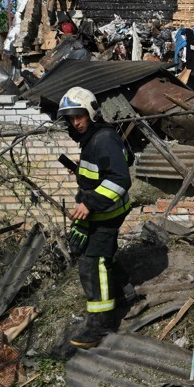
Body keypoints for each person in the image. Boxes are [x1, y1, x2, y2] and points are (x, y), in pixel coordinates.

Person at [57, 86, 133, 348]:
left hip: (107, 212)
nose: (75, 123)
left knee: (93, 262)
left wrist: (88, 203)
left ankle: (99, 326)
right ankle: (125, 290)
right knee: (99, 255)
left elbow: (120, 178)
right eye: (70, 118)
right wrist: (82, 172)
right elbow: (122, 160)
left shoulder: (103, 138)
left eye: (79, 116)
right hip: (102, 210)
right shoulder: (94, 138)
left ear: (91, 113)